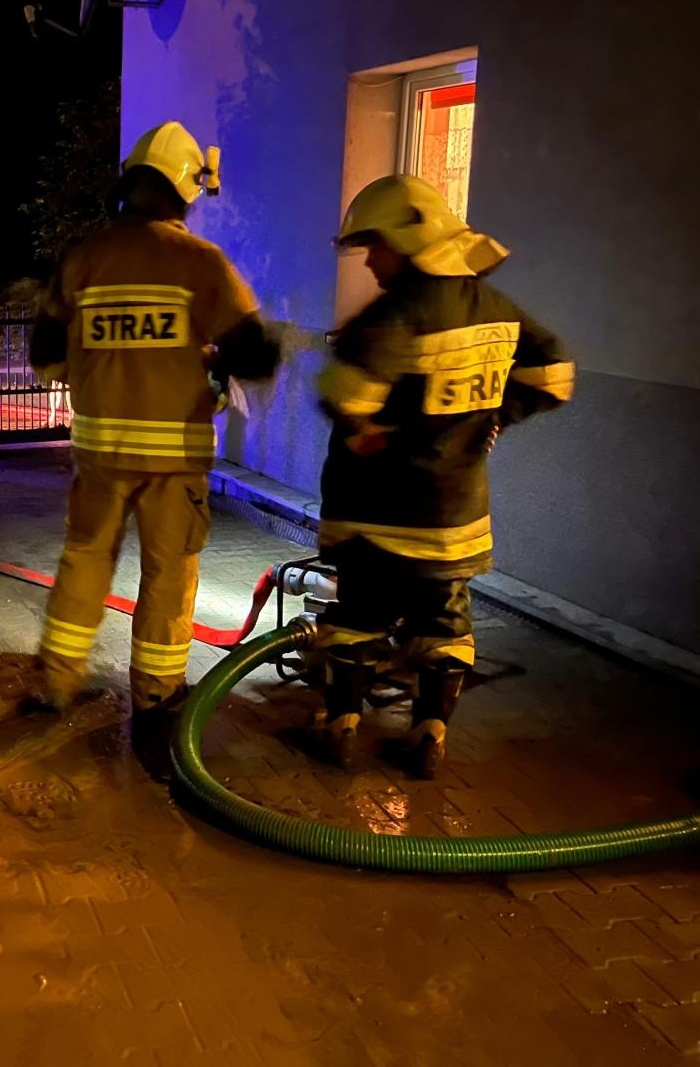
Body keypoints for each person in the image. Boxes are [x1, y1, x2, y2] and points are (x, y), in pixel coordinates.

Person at [28, 121, 280, 777]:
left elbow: (45, 353)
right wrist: (208, 357)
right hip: (174, 459)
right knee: (169, 577)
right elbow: (253, 351)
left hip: (99, 453)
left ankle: (55, 680)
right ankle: (158, 697)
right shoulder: (200, 264)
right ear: (184, 191)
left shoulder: (86, 259)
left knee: (85, 559)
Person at [313, 174, 574, 777]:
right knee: (445, 620)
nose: (371, 261)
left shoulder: (400, 312)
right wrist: (497, 417)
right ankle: (430, 735)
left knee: (357, 615)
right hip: (456, 512)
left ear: (410, 239)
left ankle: (340, 727)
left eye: (375, 246)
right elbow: (555, 376)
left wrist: (365, 431)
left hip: (378, 511)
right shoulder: (498, 309)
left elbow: (345, 392)